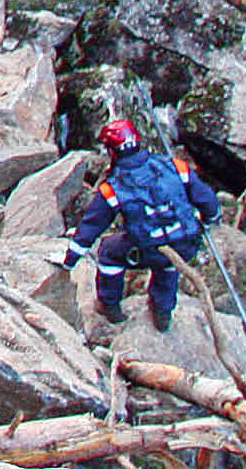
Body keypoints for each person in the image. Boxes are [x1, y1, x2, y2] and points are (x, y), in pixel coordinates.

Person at [53, 118, 219, 330]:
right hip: (185, 243)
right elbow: (208, 200)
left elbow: (90, 228)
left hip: (146, 249)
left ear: (112, 151)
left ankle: (110, 305)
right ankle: (162, 312)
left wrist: (70, 260)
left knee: (108, 252)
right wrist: (208, 221)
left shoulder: (112, 189)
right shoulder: (175, 166)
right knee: (169, 263)